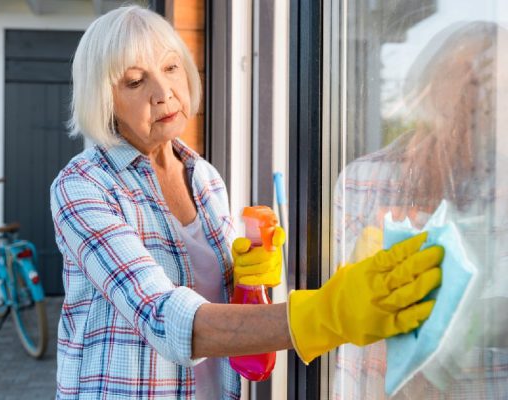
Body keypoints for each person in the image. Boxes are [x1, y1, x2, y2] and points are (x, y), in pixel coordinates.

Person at [50, 6, 443, 399]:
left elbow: (223, 323)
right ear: (103, 99)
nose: (163, 93)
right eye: (136, 82)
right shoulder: (83, 186)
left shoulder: (203, 178)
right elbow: (160, 317)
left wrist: (248, 284)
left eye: (170, 68)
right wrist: (326, 313)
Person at [332, 21, 508, 399]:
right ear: (425, 86)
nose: (471, 93)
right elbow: (344, 308)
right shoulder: (364, 179)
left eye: (487, 77)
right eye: (460, 74)